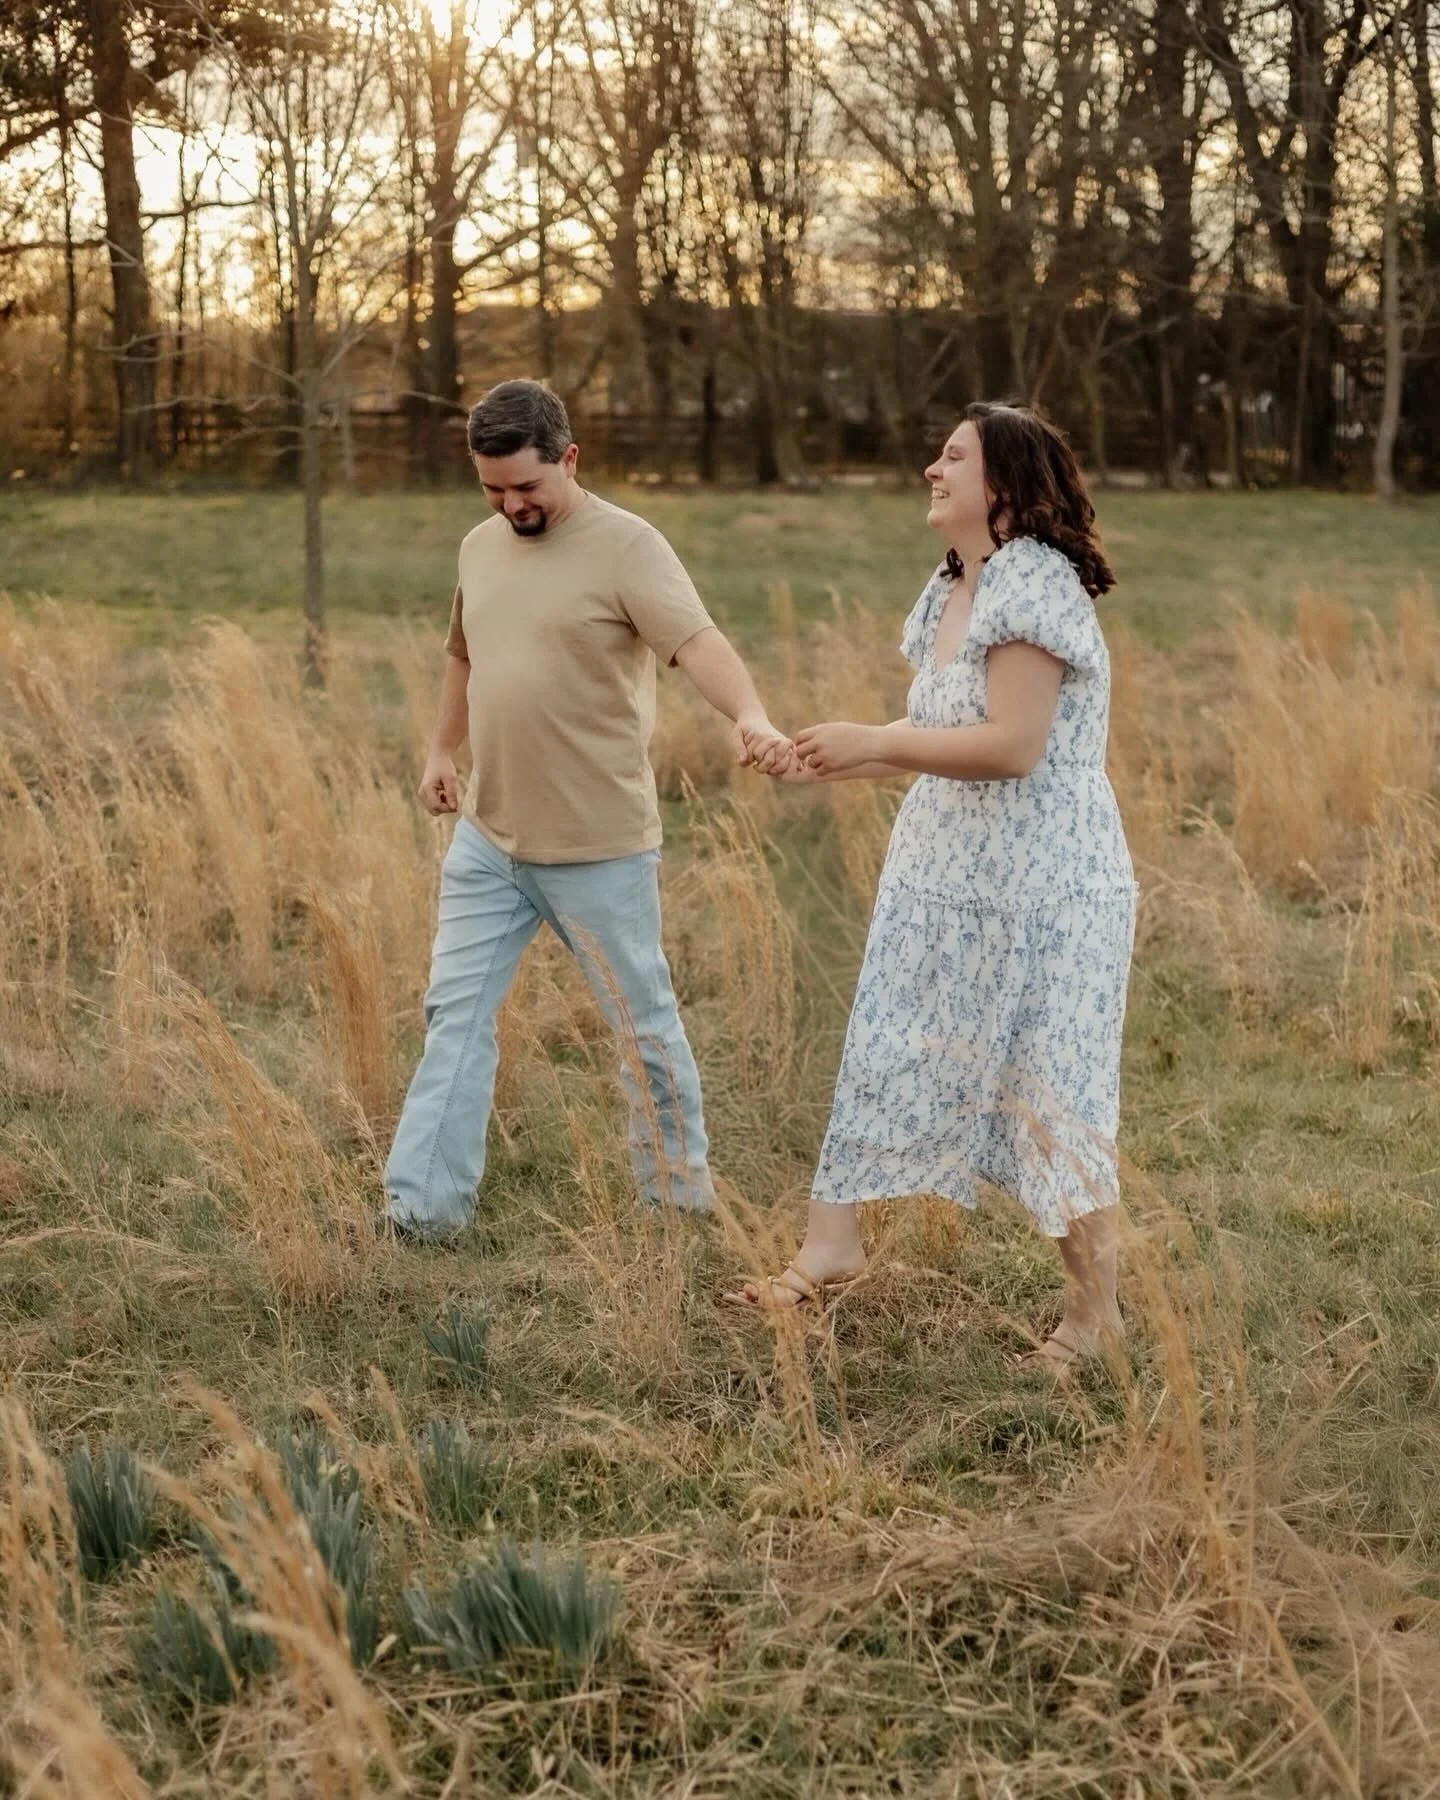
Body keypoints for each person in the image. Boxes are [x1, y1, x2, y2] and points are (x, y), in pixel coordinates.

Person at [730, 402, 1137, 1370]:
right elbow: (943, 744)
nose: (930, 470)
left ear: (1002, 485)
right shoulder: (955, 582)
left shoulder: (1034, 583)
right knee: (887, 1044)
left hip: (1047, 889)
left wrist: (876, 739)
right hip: (944, 883)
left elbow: (1012, 746)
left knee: (1048, 1091)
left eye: (952, 457)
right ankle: (830, 1248)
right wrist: (822, 760)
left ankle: (1096, 1317)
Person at [385, 379, 791, 1242]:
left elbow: (696, 642)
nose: (510, 505)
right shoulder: (479, 545)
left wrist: (749, 716)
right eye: (492, 488)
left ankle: (677, 1203)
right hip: (490, 841)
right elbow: (464, 658)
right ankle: (421, 1215)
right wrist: (438, 752)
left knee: (641, 1028)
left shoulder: (629, 547)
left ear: (569, 459)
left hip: (598, 846)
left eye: (527, 487)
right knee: (453, 1017)